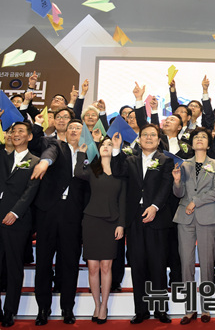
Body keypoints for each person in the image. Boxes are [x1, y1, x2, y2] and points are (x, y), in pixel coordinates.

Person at [0, 115, 41, 328]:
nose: (16, 134)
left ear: (29, 137)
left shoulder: (36, 161)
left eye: (21, 131)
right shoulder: (1, 156)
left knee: (14, 267)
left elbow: (31, 191)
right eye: (13, 131)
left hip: (18, 219)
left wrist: (15, 212)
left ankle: (9, 312)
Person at [29, 119, 90, 325]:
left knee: (70, 263)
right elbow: (49, 154)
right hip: (49, 212)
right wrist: (44, 163)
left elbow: (96, 179)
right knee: (43, 262)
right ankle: (43, 308)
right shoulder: (56, 145)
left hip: (73, 214)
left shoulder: (90, 154)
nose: (73, 130)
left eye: (78, 128)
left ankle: (67, 308)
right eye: (71, 127)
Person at [111, 125, 174, 324]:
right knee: (138, 265)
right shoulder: (130, 159)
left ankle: (160, 310)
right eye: (144, 135)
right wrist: (116, 149)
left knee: (158, 265)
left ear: (158, 140)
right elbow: (116, 171)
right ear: (139, 139)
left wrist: (155, 206)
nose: (148, 137)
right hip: (134, 218)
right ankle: (141, 310)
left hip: (157, 216)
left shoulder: (166, 160)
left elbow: (166, 186)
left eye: (152, 135)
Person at [172, 127, 215, 324]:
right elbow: (178, 193)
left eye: (203, 137)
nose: (199, 139)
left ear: (208, 144)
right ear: (191, 144)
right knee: (186, 263)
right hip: (184, 218)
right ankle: (190, 309)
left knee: (207, 263)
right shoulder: (183, 165)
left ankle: (206, 307)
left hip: (207, 216)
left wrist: (196, 202)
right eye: (196, 137)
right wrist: (177, 182)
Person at [75, 137, 126, 325]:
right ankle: (96, 305)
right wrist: (81, 154)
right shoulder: (92, 170)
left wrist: (121, 224)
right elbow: (78, 172)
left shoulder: (120, 172)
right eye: (103, 145)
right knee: (93, 267)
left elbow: (123, 201)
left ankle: (104, 305)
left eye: (109, 145)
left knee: (106, 266)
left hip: (112, 222)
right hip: (91, 221)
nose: (105, 147)